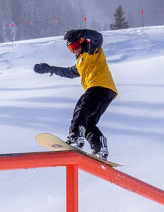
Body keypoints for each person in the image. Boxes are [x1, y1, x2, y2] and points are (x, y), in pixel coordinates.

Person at [34, 29, 118, 160]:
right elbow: (69, 72)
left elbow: (98, 38)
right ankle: (100, 147)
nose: (75, 50)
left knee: (81, 109)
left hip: (99, 87)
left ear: (82, 42)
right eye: (71, 48)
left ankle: (75, 135)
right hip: (107, 92)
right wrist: (50, 69)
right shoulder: (80, 62)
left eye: (76, 46)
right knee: (89, 122)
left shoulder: (91, 49)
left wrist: (83, 33)